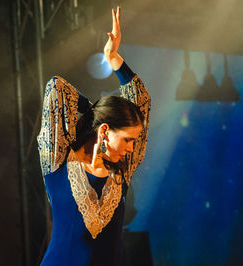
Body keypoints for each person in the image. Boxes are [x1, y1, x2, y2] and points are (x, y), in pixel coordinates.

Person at [37, 7, 151, 266]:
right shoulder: (58, 162)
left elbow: (141, 101)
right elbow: (56, 87)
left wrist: (113, 58)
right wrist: (92, 109)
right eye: (127, 140)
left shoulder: (122, 170)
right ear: (104, 131)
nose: (132, 148)